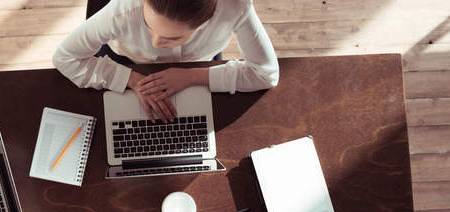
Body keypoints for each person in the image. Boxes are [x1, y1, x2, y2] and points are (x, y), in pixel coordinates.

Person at [52, 0, 279, 123]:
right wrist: (130, 79)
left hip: (201, 63)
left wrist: (192, 76)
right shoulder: (123, 9)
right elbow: (65, 57)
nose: (156, 42)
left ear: (206, 22)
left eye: (172, 37)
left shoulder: (236, 7)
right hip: (126, 60)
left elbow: (266, 73)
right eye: (148, 26)